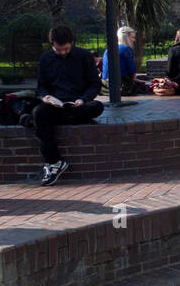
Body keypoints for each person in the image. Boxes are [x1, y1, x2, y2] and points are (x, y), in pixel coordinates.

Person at [31, 26, 104, 186]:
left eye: (65, 49)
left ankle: (67, 117)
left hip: (79, 104)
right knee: (38, 112)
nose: (63, 52)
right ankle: (54, 162)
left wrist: (83, 99)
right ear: (52, 45)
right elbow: (41, 86)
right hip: (55, 104)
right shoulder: (46, 59)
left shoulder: (84, 56)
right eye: (59, 49)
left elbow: (94, 84)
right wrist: (45, 97)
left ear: (71, 43)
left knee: (97, 107)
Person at [100, 26, 138, 95]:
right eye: (132, 37)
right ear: (126, 37)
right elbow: (132, 72)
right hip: (121, 86)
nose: (134, 40)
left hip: (105, 86)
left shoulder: (107, 49)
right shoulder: (126, 49)